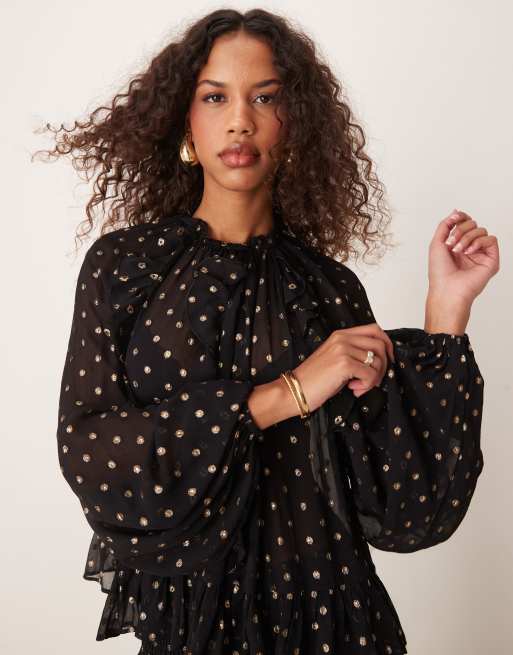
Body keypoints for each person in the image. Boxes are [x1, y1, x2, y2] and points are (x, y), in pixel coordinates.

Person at [41, 8, 499, 655]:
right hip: (192, 626)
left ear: (295, 122)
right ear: (184, 120)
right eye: (215, 97)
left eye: (265, 97)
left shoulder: (329, 289)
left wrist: (446, 310)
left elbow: (408, 507)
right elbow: (90, 450)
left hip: (333, 623)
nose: (240, 121)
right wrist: (286, 393)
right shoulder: (125, 269)